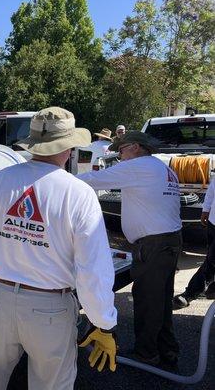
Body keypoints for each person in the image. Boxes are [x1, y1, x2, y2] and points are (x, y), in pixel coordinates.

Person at [0, 107, 118, 390]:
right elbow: (93, 269)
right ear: (69, 148)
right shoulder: (78, 193)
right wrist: (103, 322)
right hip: (50, 309)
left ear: (33, 144)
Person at [78, 131, 182, 368]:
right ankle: (167, 350)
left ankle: (146, 353)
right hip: (169, 241)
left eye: (122, 150)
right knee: (161, 300)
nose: (120, 156)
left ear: (135, 147)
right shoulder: (161, 167)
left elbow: (92, 180)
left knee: (147, 299)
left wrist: (54, 180)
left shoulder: (139, 166)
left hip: (154, 244)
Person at [173, 177, 215, 308]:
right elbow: (212, 189)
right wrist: (206, 209)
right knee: (211, 257)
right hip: (213, 222)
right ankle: (210, 289)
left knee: (212, 261)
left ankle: (190, 294)